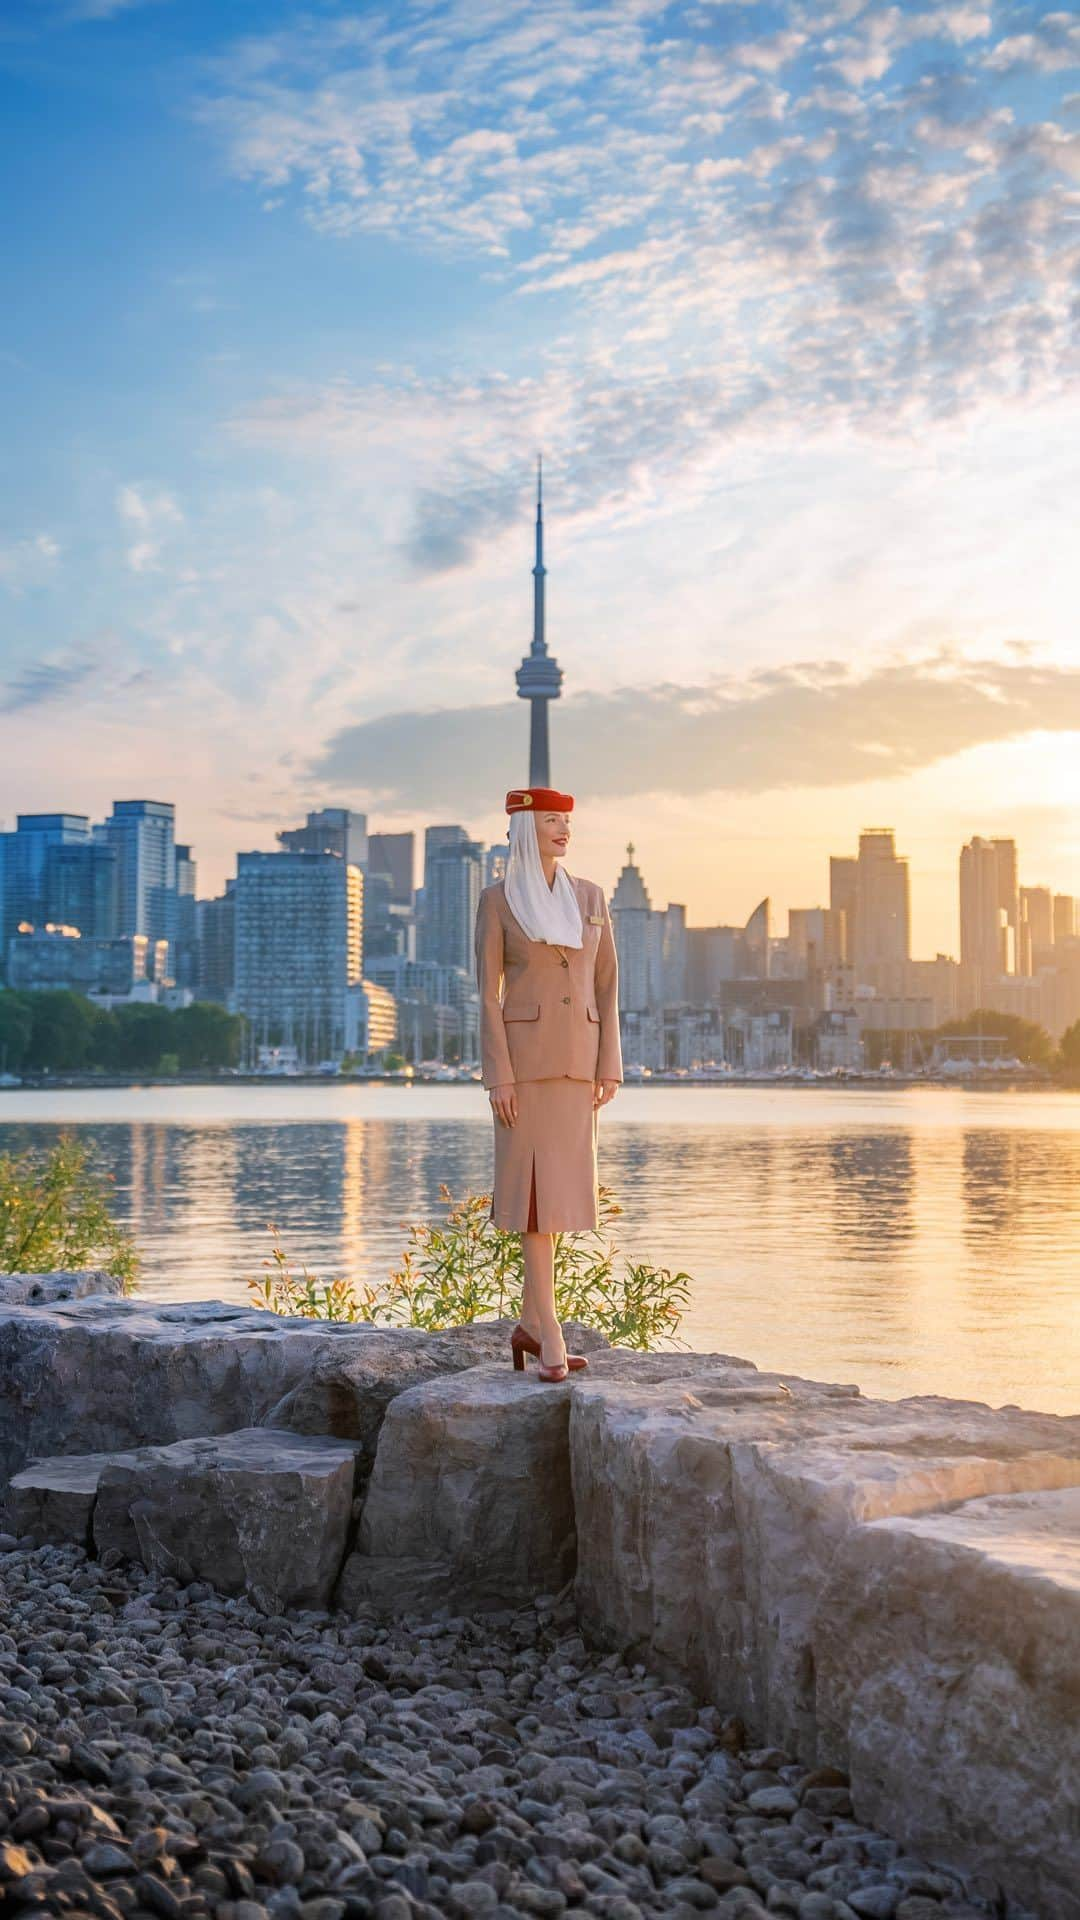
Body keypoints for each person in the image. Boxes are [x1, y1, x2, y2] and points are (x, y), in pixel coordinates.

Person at [474, 785, 622, 1382]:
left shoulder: (591, 896)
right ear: (524, 830)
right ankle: (551, 1332)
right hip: (524, 1069)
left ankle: (531, 1327)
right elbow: (487, 995)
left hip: (578, 1065)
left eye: (568, 822)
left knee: (557, 1202)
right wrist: (497, 1077)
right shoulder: (497, 901)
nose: (564, 830)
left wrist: (608, 1063)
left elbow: (608, 985)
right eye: (552, 822)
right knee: (532, 1202)